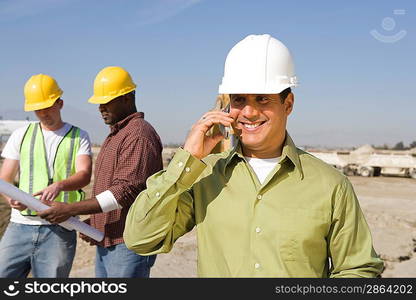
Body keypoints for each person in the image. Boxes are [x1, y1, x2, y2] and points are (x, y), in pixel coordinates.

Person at [123, 34, 384, 277]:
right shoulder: (205, 176)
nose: (248, 112)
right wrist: (186, 161)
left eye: (262, 99)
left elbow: (358, 269)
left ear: (288, 104)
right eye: (239, 100)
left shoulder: (330, 185)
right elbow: (141, 239)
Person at [38, 66, 163, 278]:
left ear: (127, 97)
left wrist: (69, 209)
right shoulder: (117, 135)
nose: (101, 108)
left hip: (128, 243)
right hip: (110, 238)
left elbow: (124, 192)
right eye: (99, 102)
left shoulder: (138, 134)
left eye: (107, 101)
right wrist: (96, 223)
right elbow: (113, 191)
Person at [0, 74, 92, 278]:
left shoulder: (79, 136)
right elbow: (5, 178)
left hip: (60, 228)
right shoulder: (20, 135)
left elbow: (84, 174)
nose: (42, 113)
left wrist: (59, 185)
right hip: (20, 225)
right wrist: (11, 198)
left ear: (60, 103)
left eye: (48, 107)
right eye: (38, 109)